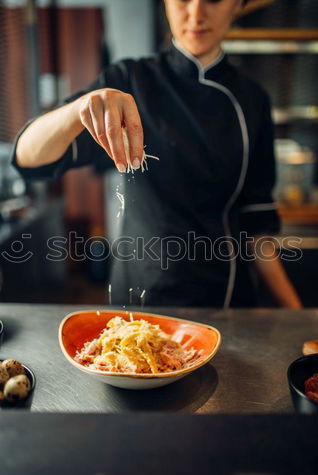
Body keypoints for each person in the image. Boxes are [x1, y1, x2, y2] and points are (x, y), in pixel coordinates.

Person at [12, 0, 302, 308]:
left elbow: (257, 226)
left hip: (227, 300)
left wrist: (294, 313)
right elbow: (28, 159)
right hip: (142, 296)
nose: (196, 13)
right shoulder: (129, 81)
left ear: (237, 5)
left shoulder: (253, 100)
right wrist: (76, 110)